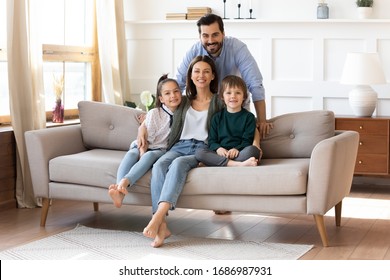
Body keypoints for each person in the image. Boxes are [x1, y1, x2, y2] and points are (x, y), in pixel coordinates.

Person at [142, 55, 224, 248]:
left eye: (206, 71)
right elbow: (158, 111)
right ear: (191, 75)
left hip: (201, 148)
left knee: (178, 164)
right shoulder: (183, 100)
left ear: (213, 76)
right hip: (179, 145)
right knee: (160, 163)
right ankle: (162, 226)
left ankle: (157, 218)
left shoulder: (219, 103)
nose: (201, 75)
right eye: (196, 71)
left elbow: (237, 120)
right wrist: (141, 127)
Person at [176, 13, 273, 139]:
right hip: (207, 107)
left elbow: (255, 84)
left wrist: (262, 120)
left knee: (239, 141)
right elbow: (178, 84)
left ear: (223, 33)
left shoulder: (237, 48)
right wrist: (156, 115)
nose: (210, 41)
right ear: (200, 36)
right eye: (205, 36)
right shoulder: (194, 50)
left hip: (234, 104)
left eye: (215, 34)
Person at [108, 74, 182, 208]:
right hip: (144, 145)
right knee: (131, 154)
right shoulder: (154, 113)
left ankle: (125, 182)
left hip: (160, 150)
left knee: (150, 155)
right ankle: (119, 190)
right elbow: (146, 139)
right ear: (161, 99)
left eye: (176, 91)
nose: (173, 95)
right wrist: (141, 152)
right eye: (167, 93)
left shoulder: (182, 114)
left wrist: (145, 154)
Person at [195, 75, 262, 167]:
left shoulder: (249, 117)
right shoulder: (216, 117)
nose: (233, 96)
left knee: (253, 151)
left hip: (239, 152)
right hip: (220, 153)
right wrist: (218, 148)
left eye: (238, 93)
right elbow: (212, 140)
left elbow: (247, 140)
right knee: (199, 152)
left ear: (244, 96)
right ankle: (237, 164)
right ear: (222, 96)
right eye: (228, 93)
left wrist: (236, 149)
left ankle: (216, 163)